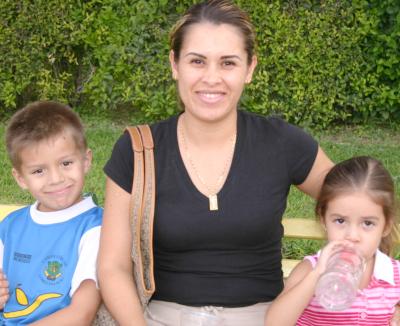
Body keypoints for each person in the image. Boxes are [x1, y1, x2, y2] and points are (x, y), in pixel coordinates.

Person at [97, 0, 333, 325]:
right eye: (197, 61)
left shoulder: (282, 143)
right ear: (174, 64)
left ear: (249, 69)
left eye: (228, 63)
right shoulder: (137, 150)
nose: (211, 78)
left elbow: (361, 202)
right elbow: (112, 267)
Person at [265, 156, 400, 325]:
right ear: (323, 220)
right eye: (340, 221)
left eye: (367, 223)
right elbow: (274, 323)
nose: (352, 236)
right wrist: (317, 275)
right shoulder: (310, 269)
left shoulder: (394, 276)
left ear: (386, 226)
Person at [2, 101, 102, 325]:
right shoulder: (10, 226)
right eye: (39, 170)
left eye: (66, 163)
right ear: (20, 178)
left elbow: (81, 314)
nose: (56, 179)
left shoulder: (96, 228)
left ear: (86, 161)